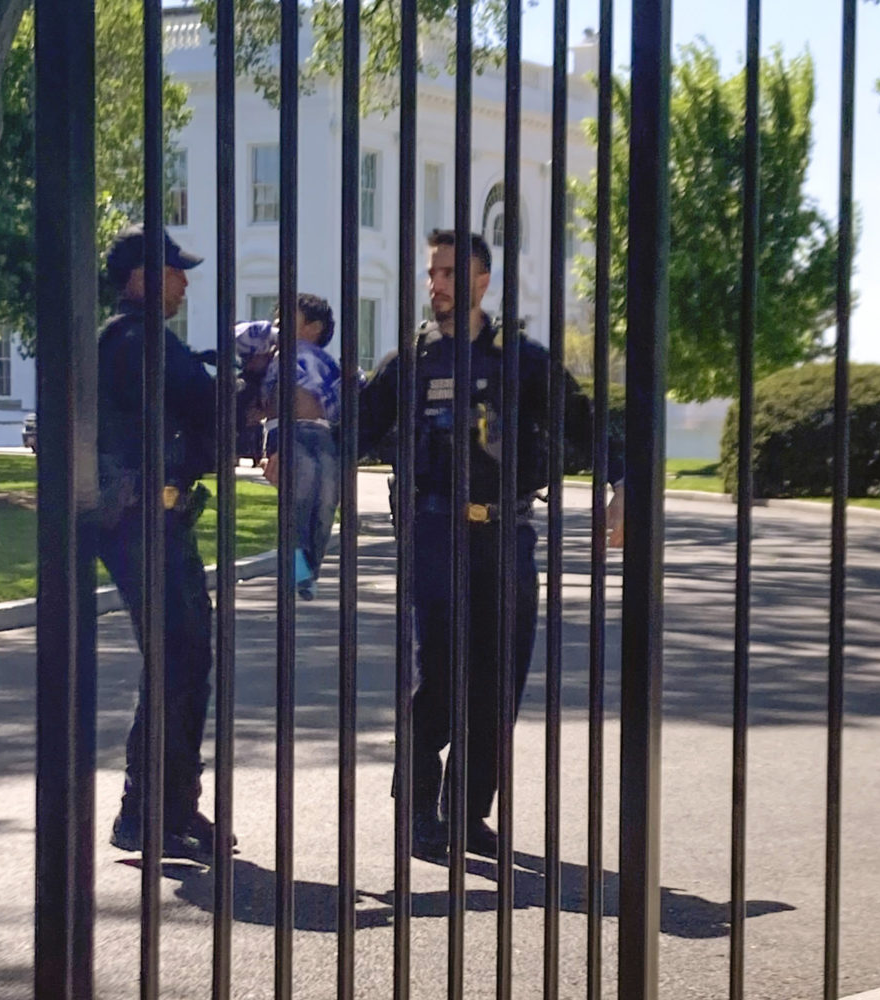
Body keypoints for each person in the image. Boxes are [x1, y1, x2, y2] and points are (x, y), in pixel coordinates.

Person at [358, 228, 626, 861]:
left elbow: (583, 423)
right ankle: (420, 808)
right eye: (432, 273)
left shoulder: (523, 359)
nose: (437, 285)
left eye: (450, 273)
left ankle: (467, 812)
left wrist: (624, 486)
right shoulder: (412, 361)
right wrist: (294, 452)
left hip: (507, 533)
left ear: (482, 279)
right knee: (440, 676)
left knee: (500, 679)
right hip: (433, 531)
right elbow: (357, 428)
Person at [84, 223, 225, 863]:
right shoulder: (138, 343)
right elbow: (206, 412)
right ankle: (142, 810)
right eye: (175, 270)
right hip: (140, 521)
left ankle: (170, 803)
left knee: (189, 655)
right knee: (177, 657)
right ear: (143, 276)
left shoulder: (139, 343)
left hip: (158, 519)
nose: (185, 281)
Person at [237, 294, 343, 600]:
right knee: (299, 499)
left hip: (322, 433)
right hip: (287, 433)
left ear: (313, 328)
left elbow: (345, 397)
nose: (279, 325)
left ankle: (310, 568)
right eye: (277, 319)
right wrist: (270, 335)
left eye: (287, 319)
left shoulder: (323, 361)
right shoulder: (274, 355)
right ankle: (296, 573)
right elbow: (236, 337)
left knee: (325, 503)